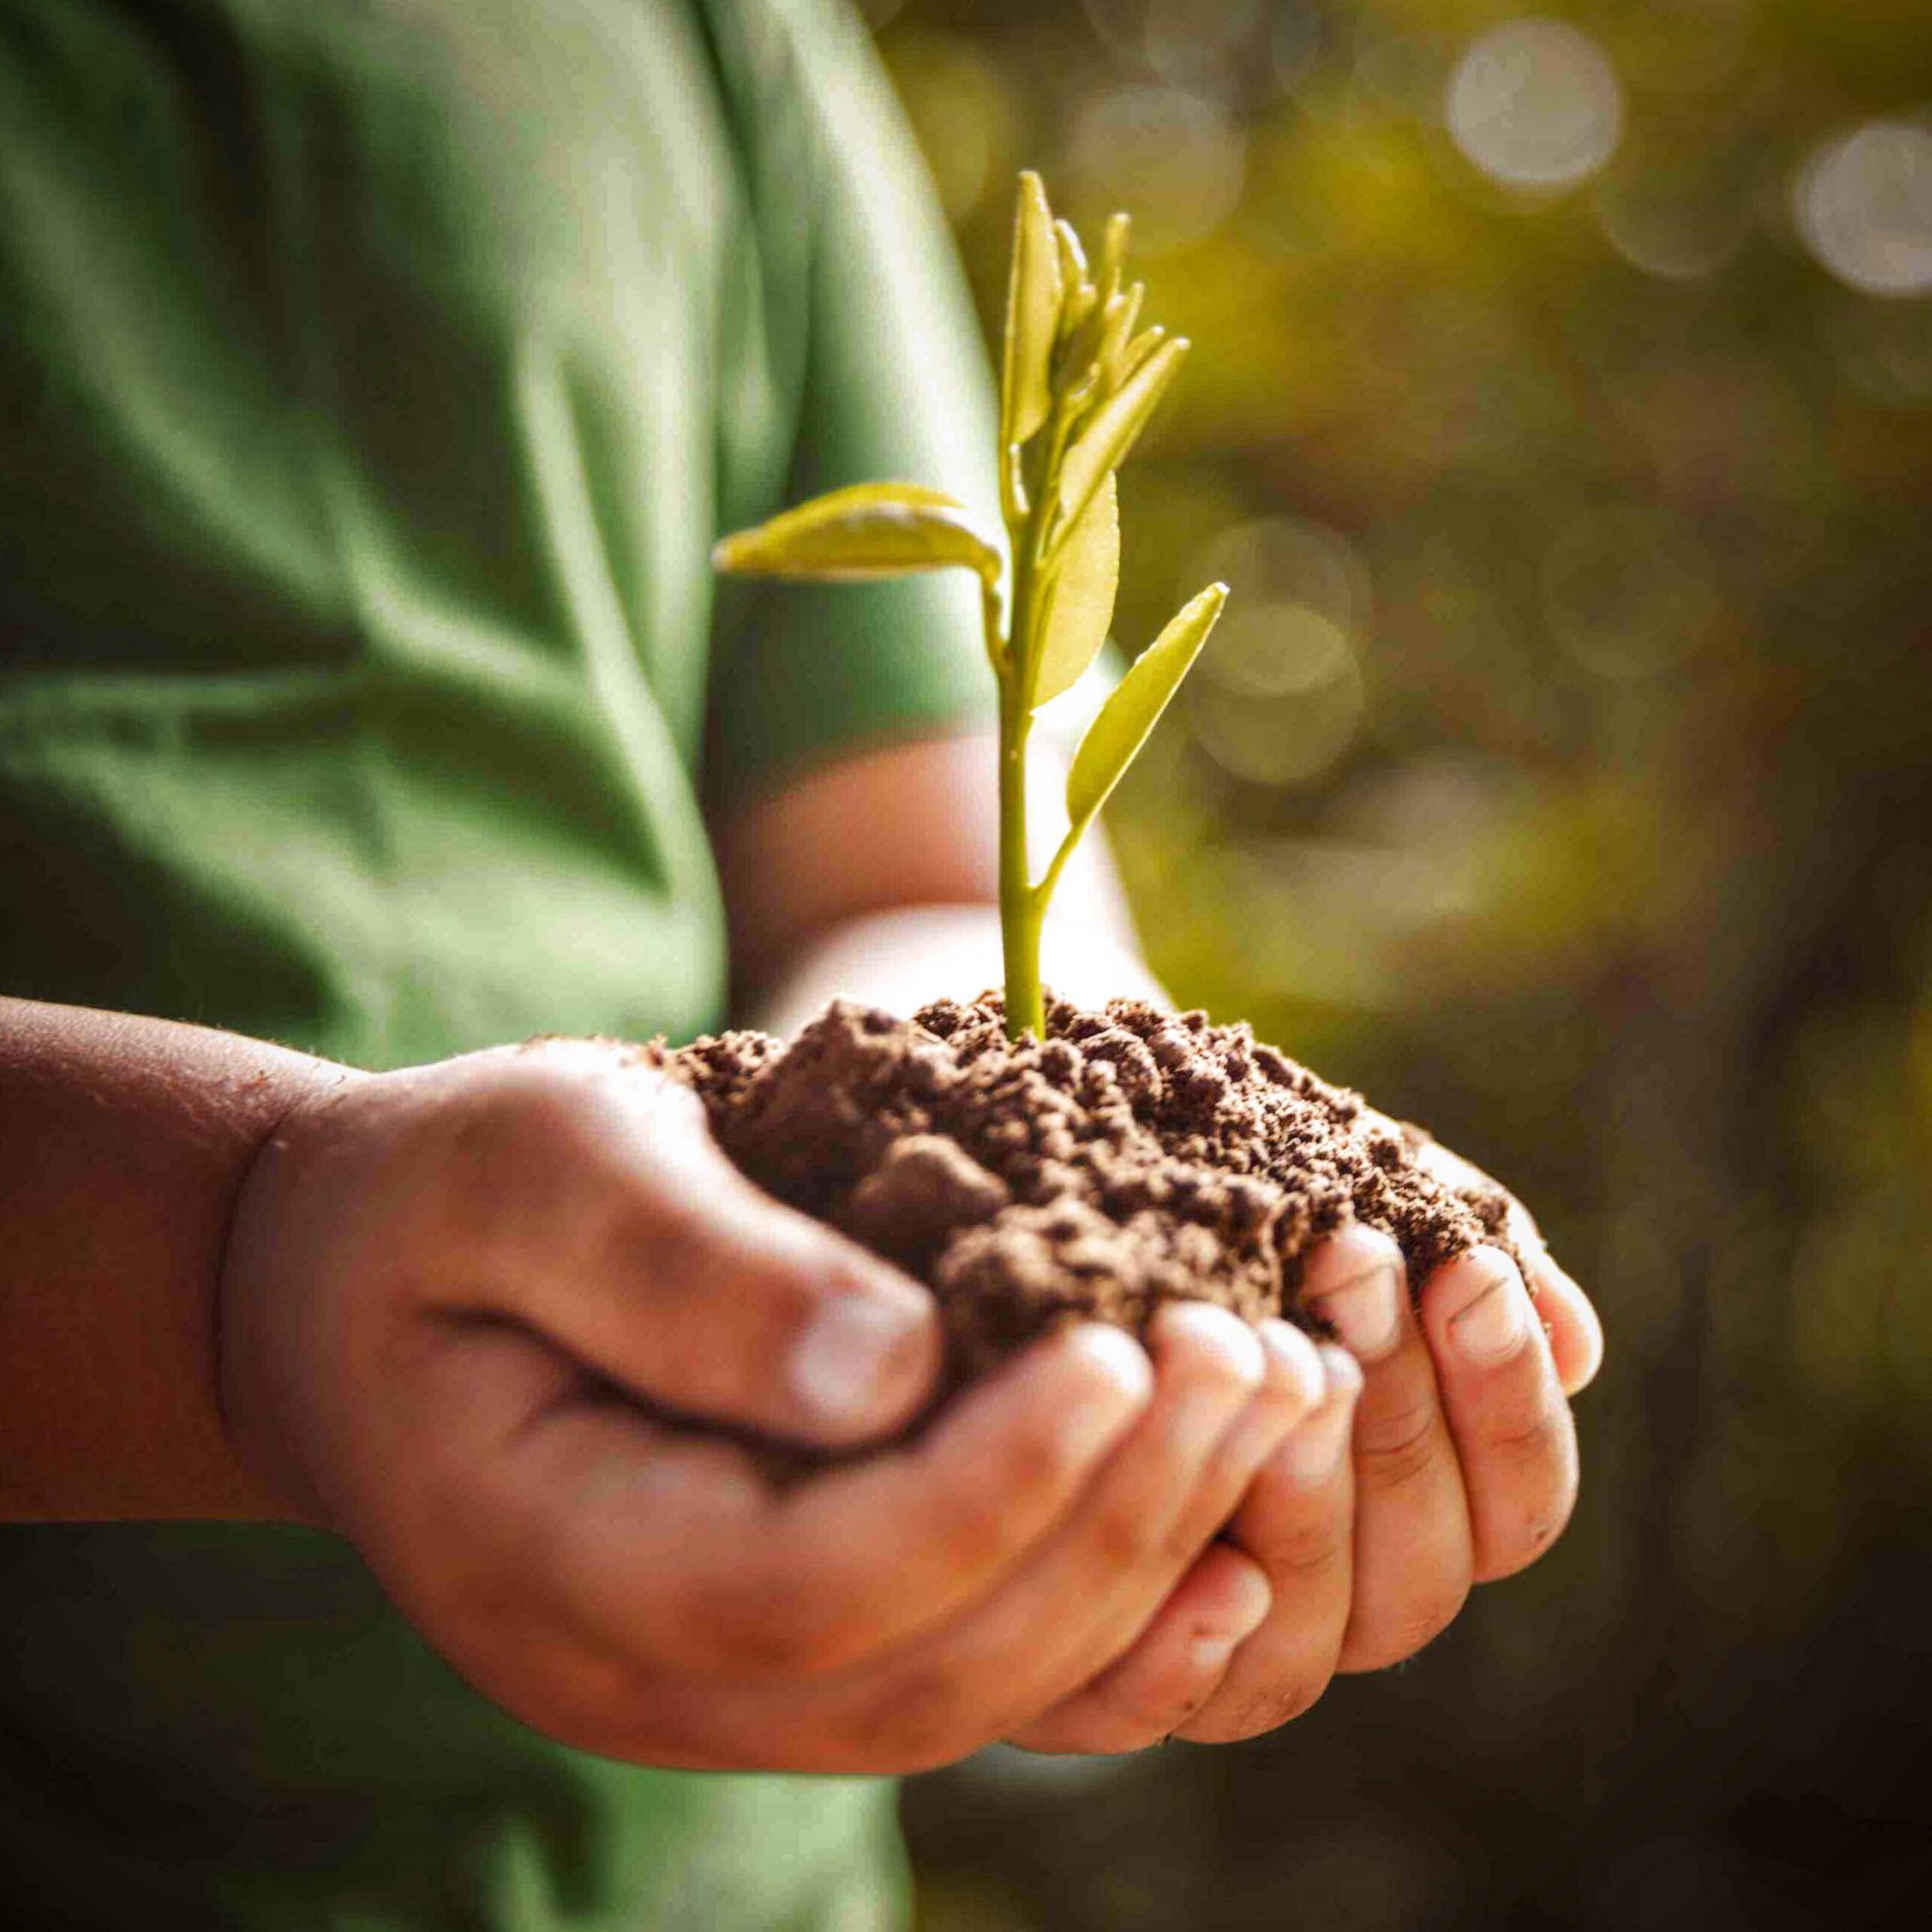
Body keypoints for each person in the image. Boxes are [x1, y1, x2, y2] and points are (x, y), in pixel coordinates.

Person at [0, 0, 1604, 1924]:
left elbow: (923, 857)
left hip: (726, 1872)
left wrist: (1021, 1238)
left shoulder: (704, 42)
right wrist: (244, 1268)